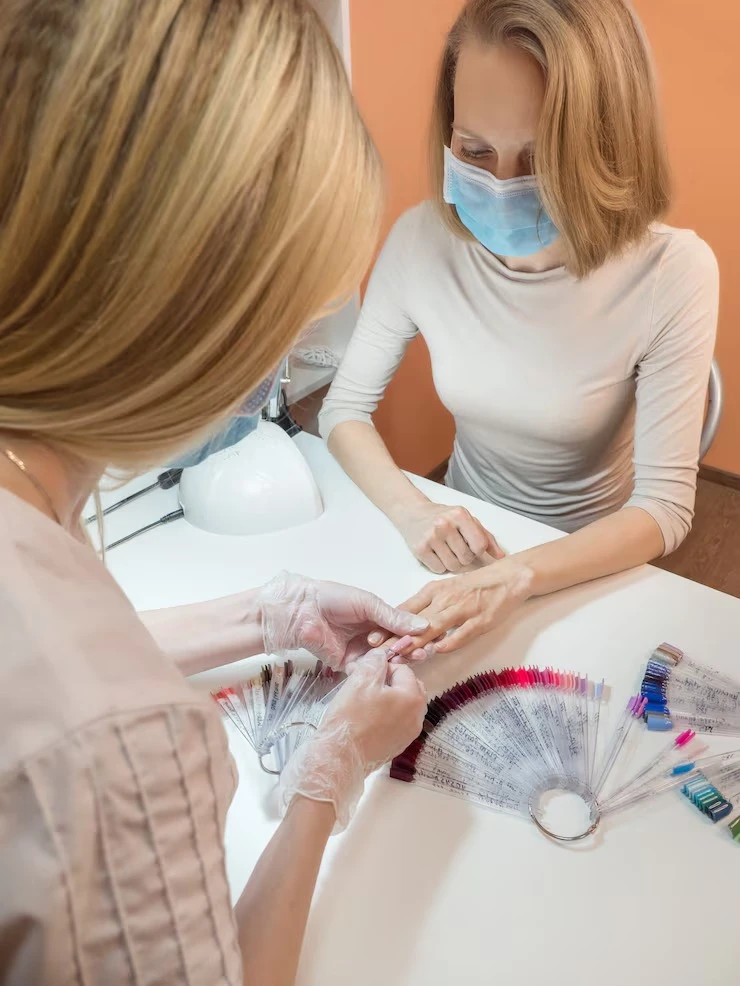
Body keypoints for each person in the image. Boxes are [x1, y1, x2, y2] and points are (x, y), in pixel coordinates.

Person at [0, 3, 429, 984]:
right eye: (283, 323)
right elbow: (71, 704)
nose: (281, 361)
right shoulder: (121, 749)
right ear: (193, 311)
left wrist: (261, 610)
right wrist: (330, 769)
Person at [319, 0, 720, 656]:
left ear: (605, 150)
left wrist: (517, 575)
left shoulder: (672, 271)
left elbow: (665, 509)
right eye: (474, 150)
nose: (500, 184)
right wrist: (415, 513)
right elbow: (344, 412)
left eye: (540, 160)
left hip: (588, 562)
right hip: (467, 545)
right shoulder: (421, 241)